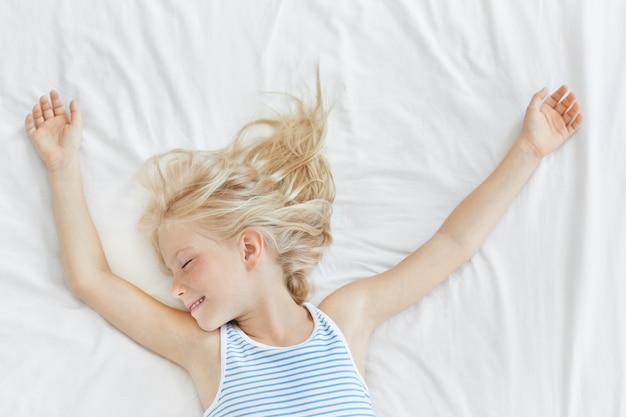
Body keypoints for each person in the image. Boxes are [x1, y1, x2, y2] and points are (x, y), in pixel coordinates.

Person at [25, 82, 583, 416]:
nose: (175, 286)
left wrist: (531, 149)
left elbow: (454, 243)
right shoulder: (211, 353)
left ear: (249, 248)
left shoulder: (348, 320)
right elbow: (91, 280)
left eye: (187, 263)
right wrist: (62, 166)